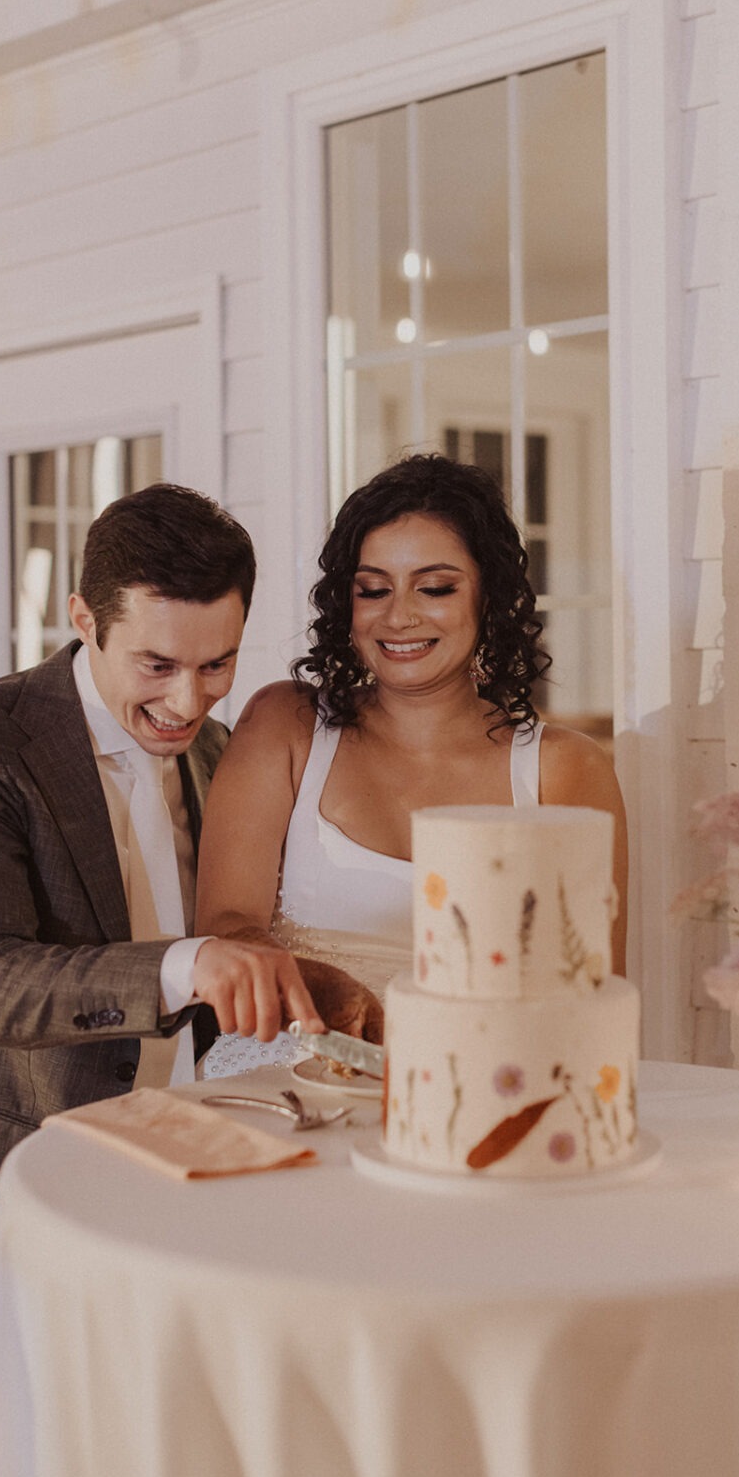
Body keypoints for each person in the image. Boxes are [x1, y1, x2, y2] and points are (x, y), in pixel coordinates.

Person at [0, 482, 367, 1477]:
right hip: (12, 1184)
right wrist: (186, 965)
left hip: (187, 1184)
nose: (189, 699)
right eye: (157, 664)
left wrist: (311, 991)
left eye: (218, 662)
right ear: (83, 620)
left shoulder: (220, 755)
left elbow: (227, 964)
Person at [196, 453, 628, 1073]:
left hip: (481, 1083)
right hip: (286, 1069)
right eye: (373, 589)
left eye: (435, 588)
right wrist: (318, 990)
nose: (399, 615)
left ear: (490, 597)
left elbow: (594, 991)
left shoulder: (563, 769)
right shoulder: (285, 727)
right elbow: (225, 923)